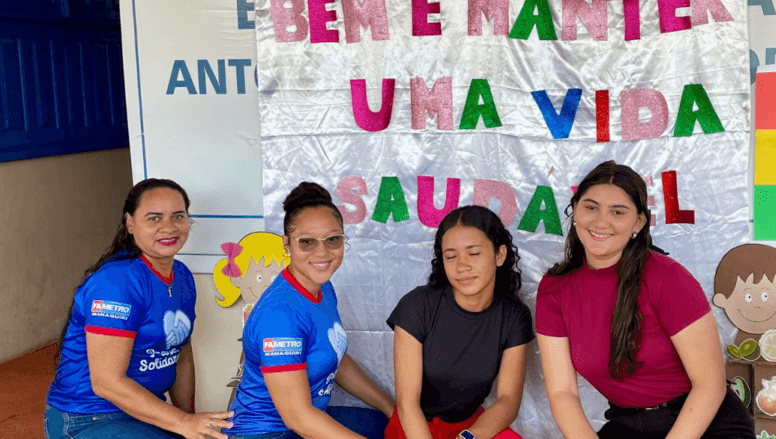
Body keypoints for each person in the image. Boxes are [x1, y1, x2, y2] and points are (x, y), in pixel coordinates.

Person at [536, 161, 755, 439]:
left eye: (618, 212)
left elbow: (709, 385)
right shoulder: (554, 289)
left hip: (703, 421)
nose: (601, 221)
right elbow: (562, 392)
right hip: (629, 424)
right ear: (575, 210)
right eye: (590, 207)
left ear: (638, 222)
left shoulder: (668, 277)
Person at [46, 178, 234, 439]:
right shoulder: (116, 282)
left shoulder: (182, 276)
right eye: (154, 218)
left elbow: (180, 353)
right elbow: (107, 382)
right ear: (130, 223)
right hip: (88, 417)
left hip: (143, 414)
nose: (169, 227)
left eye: (178, 216)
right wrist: (182, 422)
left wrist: (189, 422)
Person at [227, 182, 393, 439]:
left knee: (388, 426)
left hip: (305, 421)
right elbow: (299, 418)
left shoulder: (323, 287)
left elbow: (334, 354)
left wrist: (390, 408)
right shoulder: (280, 315)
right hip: (268, 432)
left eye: (333, 239)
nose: (322, 252)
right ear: (287, 245)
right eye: (307, 242)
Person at [385, 205, 533, 439]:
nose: (462, 266)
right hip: (413, 427)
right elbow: (407, 403)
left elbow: (508, 400)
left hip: (471, 428)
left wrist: (469, 437)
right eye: (451, 256)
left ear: (499, 255)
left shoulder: (514, 316)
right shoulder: (417, 305)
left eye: (473, 254)